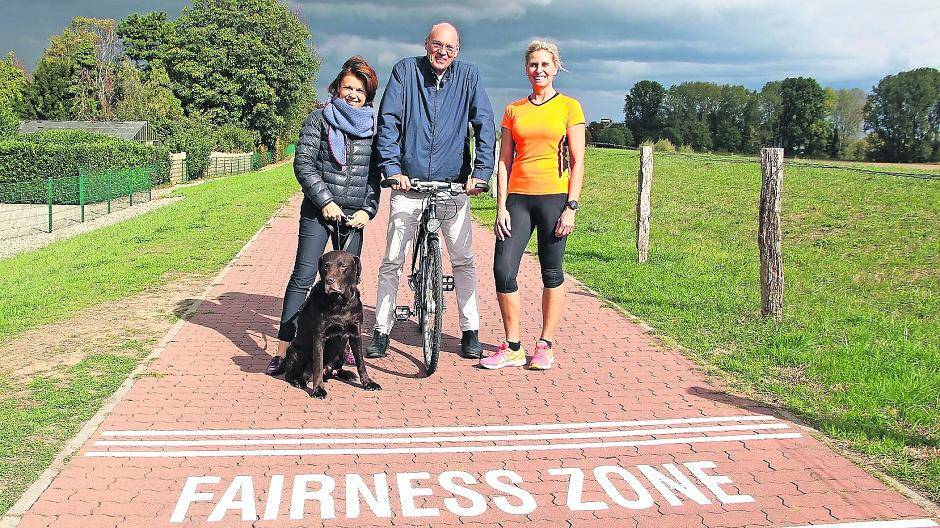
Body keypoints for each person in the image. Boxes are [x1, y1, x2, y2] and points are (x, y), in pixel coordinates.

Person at [366, 22, 496, 360]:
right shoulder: (405, 72)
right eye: (437, 45)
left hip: (453, 185)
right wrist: (392, 169)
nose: (442, 52)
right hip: (408, 184)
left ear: (458, 52)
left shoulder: (469, 76)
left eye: (450, 48)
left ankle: (470, 330)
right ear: (426, 44)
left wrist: (480, 174)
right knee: (392, 258)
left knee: (464, 259)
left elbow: (484, 126)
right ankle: (381, 328)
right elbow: (389, 121)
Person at [267, 56, 381, 376]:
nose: (353, 94)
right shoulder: (319, 119)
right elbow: (303, 163)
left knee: (347, 284)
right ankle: (283, 348)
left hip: (353, 216)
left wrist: (367, 210)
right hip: (319, 211)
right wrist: (325, 201)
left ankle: (338, 350)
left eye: (360, 90)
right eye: (348, 87)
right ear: (337, 87)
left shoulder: (373, 129)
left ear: (368, 95)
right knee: (304, 278)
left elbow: (375, 176)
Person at [481, 40, 585, 370]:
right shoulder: (514, 110)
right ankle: (513, 346)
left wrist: (572, 206)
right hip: (518, 200)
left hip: (554, 199)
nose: (538, 70)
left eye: (544, 64)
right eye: (532, 65)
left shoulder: (570, 107)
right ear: (526, 69)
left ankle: (545, 345)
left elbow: (579, 161)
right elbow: (504, 161)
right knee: (503, 269)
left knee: (551, 270)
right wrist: (501, 207)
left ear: (556, 67)